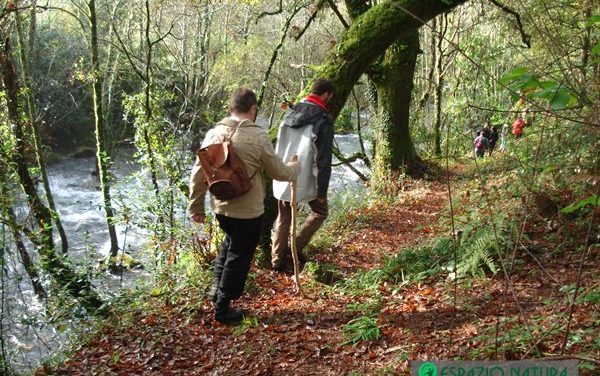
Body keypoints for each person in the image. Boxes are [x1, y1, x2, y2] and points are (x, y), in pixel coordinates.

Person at [187, 88, 300, 324]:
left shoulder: (213, 134)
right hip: (248, 211)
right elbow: (279, 172)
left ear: (230, 109)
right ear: (253, 109)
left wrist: (195, 207)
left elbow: (198, 173)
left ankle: (216, 290)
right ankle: (223, 308)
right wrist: (295, 168)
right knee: (239, 255)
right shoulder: (258, 137)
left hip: (221, 207)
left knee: (229, 245)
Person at [271, 78, 335, 272]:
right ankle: (295, 247)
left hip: (284, 171)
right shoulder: (322, 119)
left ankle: (277, 261)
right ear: (326, 95)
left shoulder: (291, 112)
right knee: (320, 211)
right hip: (308, 176)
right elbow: (323, 160)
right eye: (330, 96)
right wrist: (322, 190)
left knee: (284, 216)